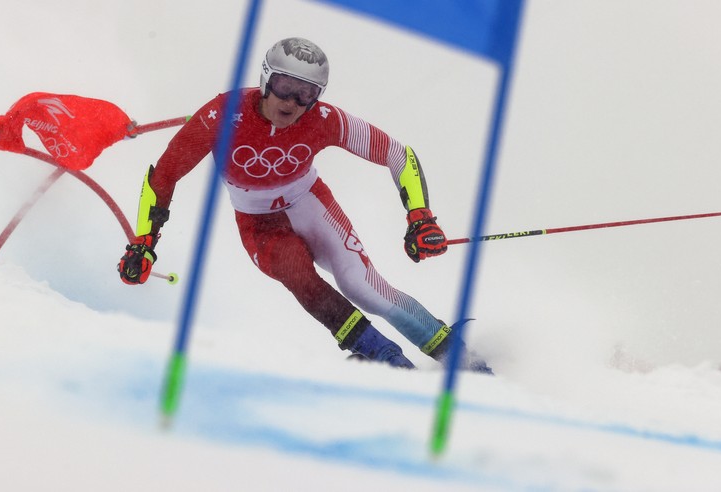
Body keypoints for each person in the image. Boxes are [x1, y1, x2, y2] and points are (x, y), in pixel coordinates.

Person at [118, 37, 491, 372]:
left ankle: (458, 357)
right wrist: (145, 243)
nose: (292, 102)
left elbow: (397, 154)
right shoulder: (221, 115)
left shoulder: (322, 120)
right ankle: (382, 355)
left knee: (363, 287)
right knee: (295, 270)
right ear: (266, 80)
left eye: (306, 93)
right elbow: (163, 177)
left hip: (310, 202)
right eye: (284, 87)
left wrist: (420, 218)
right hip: (259, 222)